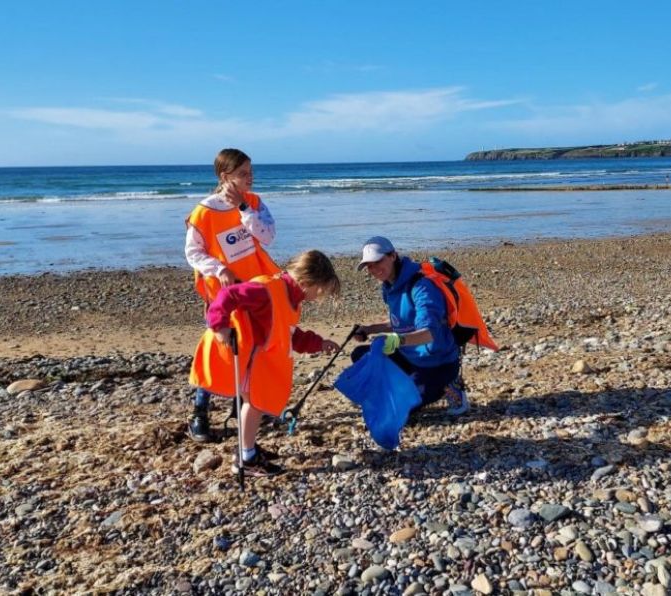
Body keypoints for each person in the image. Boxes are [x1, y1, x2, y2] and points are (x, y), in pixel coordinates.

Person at [200, 250, 340, 477]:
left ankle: (248, 448)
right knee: (254, 405)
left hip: (258, 361)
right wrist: (219, 325)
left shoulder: (290, 297)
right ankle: (246, 458)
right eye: (320, 290)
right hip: (247, 359)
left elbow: (289, 334)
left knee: (254, 405)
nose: (319, 296)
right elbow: (228, 296)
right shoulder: (266, 290)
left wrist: (318, 343)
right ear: (306, 282)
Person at [184, 148, 280, 442]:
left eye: (251, 172)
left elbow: (268, 235)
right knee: (221, 347)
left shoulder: (254, 202)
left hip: (256, 287)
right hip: (223, 293)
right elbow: (193, 252)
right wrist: (218, 268)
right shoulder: (204, 212)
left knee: (254, 345)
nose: (250, 178)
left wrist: (243, 210)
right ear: (225, 177)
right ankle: (200, 411)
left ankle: (245, 406)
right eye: (243, 174)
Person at [352, 236, 469, 415]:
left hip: (436, 362)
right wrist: (369, 329)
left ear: (393, 256)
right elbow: (402, 322)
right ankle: (403, 386)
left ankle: (450, 385)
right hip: (408, 356)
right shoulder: (389, 286)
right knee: (361, 356)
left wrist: (396, 340)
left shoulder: (422, 286)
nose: (374, 269)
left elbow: (429, 333)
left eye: (378, 261)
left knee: (402, 409)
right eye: (369, 265)